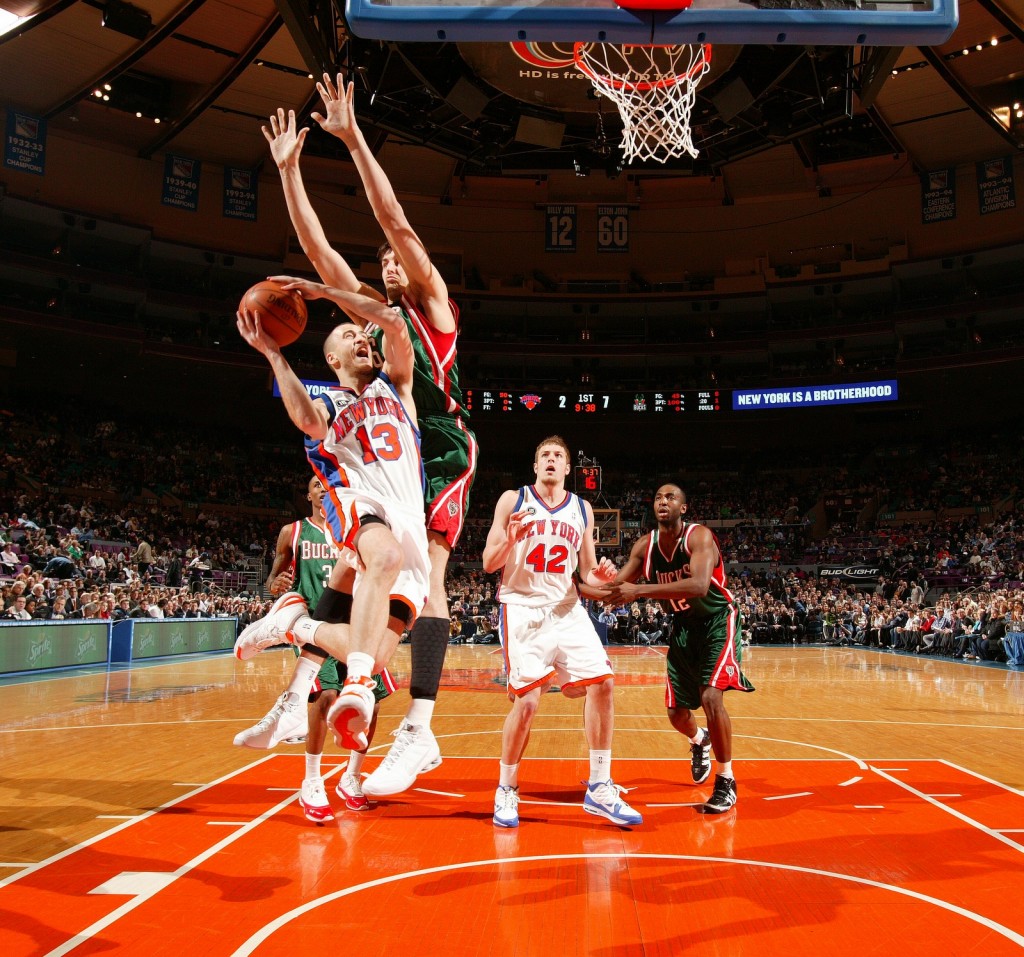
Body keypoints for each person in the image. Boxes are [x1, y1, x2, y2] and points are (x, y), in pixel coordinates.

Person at [257, 76, 478, 797]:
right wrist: (291, 172)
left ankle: (418, 726)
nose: (387, 261)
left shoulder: (427, 315)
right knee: (370, 586)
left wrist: (353, 141)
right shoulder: (367, 338)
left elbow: (399, 225)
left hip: (439, 447)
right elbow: (318, 253)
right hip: (390, 465)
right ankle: (310, 675)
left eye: (392, 260)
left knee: (429, 578)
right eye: (379, 261)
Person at [234, 285, 429, 767]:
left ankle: (295, 624)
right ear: (333, 360)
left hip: (410, 521)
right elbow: (305, 419)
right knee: (383, 557)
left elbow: (396, 325)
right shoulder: (332, 404)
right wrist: (275, 354)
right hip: (362, 504)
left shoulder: (397, 387)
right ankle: (355, 686)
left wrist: (326, 293)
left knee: (376, 654)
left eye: (360, 335)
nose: (359, 339)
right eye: (347, 336)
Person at [481, 435, 642, 830]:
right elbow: (488, 562)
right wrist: (511, 541)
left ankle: (600, 787)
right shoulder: (512, 500)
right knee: (529, 703)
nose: (551, 460)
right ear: (535, 466)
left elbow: (585, 569)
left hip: (567, 608)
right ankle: (507, 787)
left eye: (558, 456)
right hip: (521, 608)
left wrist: (600, 576)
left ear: (568, 469)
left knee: (603, 683)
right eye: (544, 456)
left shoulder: (582, 509)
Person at [234, 475, 396, 821]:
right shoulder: (292, 532)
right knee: (324, 698)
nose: (323, 487)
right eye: (316, 484)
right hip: (318, 623)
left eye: (328, 482)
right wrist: (273, 584)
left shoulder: (359, 526)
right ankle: (311, 779)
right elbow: (273, 578)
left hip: (359, 623)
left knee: (373, 702)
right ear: (308, 494)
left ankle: (351, 776)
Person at [603, 483, 755, 815]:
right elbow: (613, 590)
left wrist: (639, 592)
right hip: (683, 628)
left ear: (682, 508)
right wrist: (575, 580)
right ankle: (700, 739)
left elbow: (700, 585)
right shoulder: (644, 547)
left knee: (711, 697)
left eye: (671, 497)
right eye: (658, 496)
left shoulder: (698, 537)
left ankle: (726, 780)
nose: (663, 501)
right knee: (676, 715)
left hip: (717, 620)